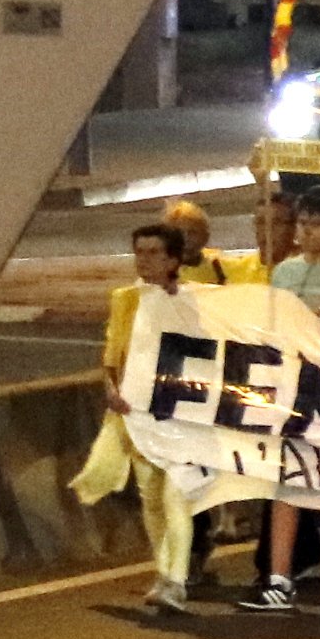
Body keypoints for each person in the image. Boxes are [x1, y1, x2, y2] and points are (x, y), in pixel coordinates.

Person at [245, 183, 320, 615]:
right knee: (286, 478)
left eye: (316, 224)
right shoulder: (283, 273)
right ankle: (279, 578)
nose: (306, 232)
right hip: (291, 386)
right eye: (302, 223)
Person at [96, 226, 206, 612]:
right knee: (151, 498)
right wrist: (112, 388)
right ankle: (163, 573)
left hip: (180, 413)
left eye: (154, 252)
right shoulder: (125, 300)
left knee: (177, 495)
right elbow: (112, 354)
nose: (144, 259)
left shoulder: (191, 301)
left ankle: (177, 580)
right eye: (139, 251)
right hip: (139, 413)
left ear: (174, 260)